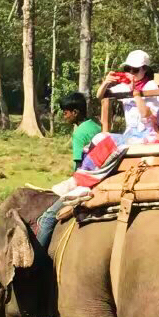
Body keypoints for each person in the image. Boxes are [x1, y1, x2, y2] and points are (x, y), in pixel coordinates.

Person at [34, 92, 103, 246]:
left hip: (86, 180)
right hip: (102, 175)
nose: (64, 116)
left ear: (75, 112)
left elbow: (79, 168)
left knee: (47, 219)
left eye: (65, 112)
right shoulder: (97, 126)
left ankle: (36, 263)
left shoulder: (79, 133)